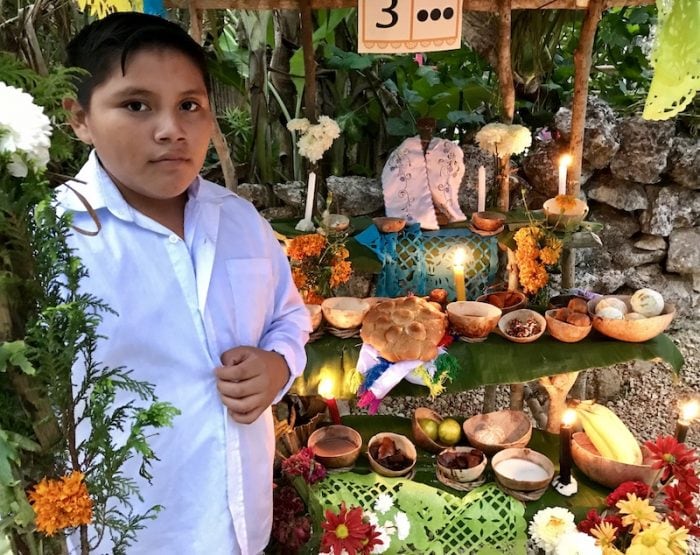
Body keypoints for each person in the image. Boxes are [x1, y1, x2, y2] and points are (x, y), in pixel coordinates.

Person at [57, 11, 311, 554]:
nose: (171, 128)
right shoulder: (48, 243)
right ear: (79, 118)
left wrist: (279, 364)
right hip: (122, 536)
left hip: (240, 525)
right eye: (136, 104)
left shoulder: (242, 222)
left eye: (189, 106)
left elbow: (289, 315)